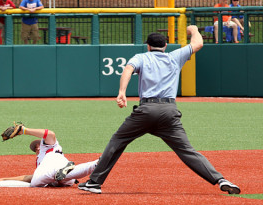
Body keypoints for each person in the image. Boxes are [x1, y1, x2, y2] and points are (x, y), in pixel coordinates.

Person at [78, 26, 241, 195]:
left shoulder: (141, 57)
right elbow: (198, 44)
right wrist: (193, 30)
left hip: (146, 111)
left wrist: (122, 92)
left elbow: (128, 69)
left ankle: (94, 182)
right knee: (187, 151)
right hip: (169, 112)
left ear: (148, 46)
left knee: (117, 141)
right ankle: (220, 179)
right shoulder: (174, 57)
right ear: (166, 45)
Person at [0, 124, 98, 187]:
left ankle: (64, 172)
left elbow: (50, 134)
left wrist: (24, 130)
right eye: (35, 148)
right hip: (60, 173)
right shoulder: (40, 160)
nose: (37, 148)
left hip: (53, 161)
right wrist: (4, 179)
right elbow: (28, 177)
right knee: (66, 179)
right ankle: (97, 163)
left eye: (38, 145)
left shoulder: (49, 147)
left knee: (36, 183)